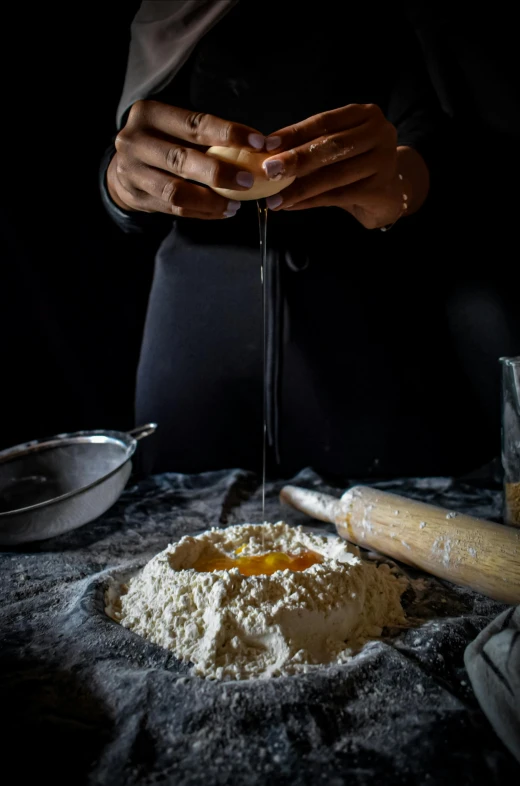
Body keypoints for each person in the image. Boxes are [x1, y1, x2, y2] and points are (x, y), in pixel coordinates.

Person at [100, 1, 512, 479]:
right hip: (194, 326)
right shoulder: (165, 10)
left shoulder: (384, 18)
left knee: (376, 533)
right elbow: (119, 153)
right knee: (182, 534)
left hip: (363, 322)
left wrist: (401, 184)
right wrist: (119, 183)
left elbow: (443, 132)